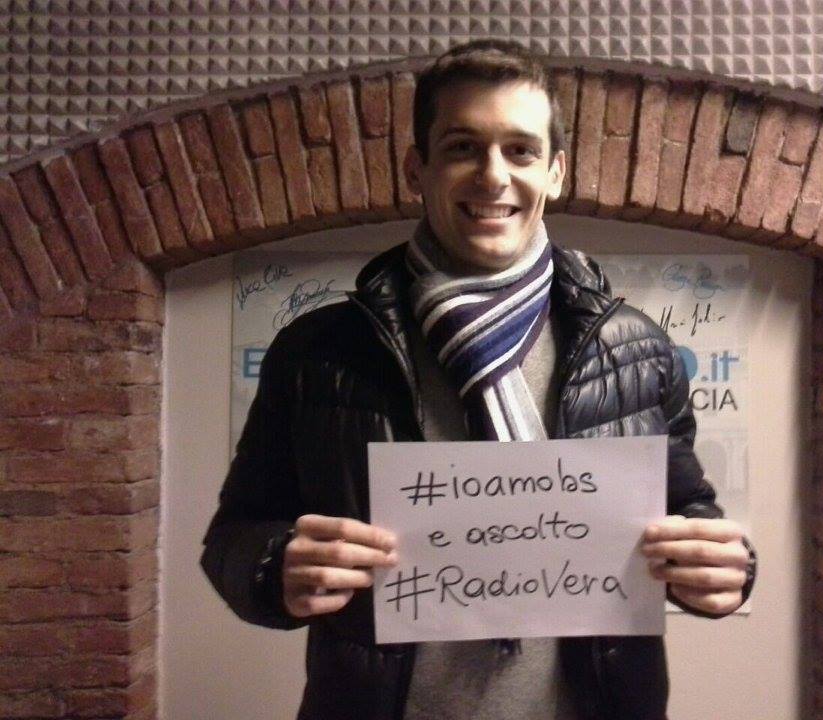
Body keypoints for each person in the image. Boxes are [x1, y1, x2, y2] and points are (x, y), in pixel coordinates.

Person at [201, 39, 756, 720]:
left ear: (555, 172)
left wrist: (727, 568)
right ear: (418, 168)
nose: (493, 177)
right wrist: (272, 567)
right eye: (463, 147)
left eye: (520, 151)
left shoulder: (635, 350)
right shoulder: (320, 353)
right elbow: (233, 535)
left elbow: (689, 511)